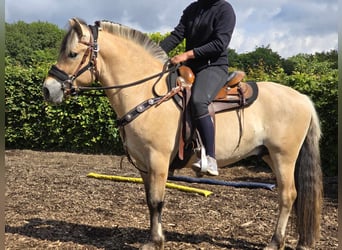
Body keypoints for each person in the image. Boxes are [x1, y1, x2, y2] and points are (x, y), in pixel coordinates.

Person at [160, 0, 236, 176]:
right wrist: (151, 53)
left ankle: (210, 159)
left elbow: (219, 43)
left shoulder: (225, 10)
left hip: (213, 66)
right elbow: (176, 35)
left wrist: (186, 54)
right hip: (190, 67)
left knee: (199, 100)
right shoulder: (192, 9)